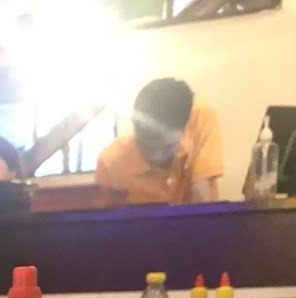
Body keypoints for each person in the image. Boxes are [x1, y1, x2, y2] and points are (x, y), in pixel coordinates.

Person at [95, 78, 224, 205]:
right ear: (133, 125)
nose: (155, 156)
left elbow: (203, 201)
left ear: (185, 127)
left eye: (167, 147)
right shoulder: (110, 162)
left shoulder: (200, 118)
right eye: (145, 146)